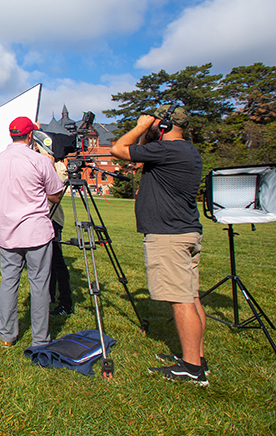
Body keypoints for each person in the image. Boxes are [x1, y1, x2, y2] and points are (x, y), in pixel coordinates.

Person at [109, 104, 207, 386]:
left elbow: (119, 149)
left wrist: (140, 126)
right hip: (184, 230)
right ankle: (197, 359)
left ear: (162, 126)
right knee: (191, 296)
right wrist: (148, 133)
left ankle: (191, 369)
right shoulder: (185, 149)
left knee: (181, 300)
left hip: (168, 235)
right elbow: (139, 159)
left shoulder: (167, 150)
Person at [0, 116, 65, 348]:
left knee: (9, 282)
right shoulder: (39, 160)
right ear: (30, 135)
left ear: (12, 134)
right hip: (36, 231)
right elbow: (56, 194)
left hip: (8, 231)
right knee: (39, 284)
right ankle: (40, 338)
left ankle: (7, 335)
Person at [48, 160, 72, 316]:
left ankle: (65, 302)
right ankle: (49, 297)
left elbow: (56, 194)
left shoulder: (56, 166)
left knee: (57, 261)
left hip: (52, 218)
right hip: (41, 218)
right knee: (48, 263)